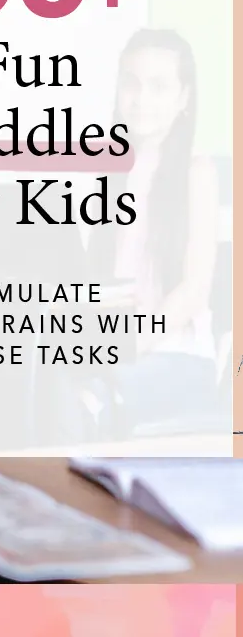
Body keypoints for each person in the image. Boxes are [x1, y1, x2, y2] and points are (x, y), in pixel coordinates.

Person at [87, 28, 220, 431]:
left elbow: (194, 290)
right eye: (132, 83)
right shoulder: (108, 172)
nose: (141, 99)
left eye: (159, 87)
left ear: (182, 98)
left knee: (89, 398)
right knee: (38, 383)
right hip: (117, 349)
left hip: (179, 357)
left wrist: (130, 346)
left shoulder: (197, 172)